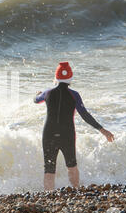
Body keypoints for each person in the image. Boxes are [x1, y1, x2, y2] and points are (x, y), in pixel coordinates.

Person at [34, 62, 114, 190]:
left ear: (56, 78)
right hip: (67, 134)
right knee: (71, 165)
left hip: (49, 134)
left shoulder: (47, 93)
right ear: (70, 79)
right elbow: (85, 115)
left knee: (49, 169)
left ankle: (48, 195)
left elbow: (36, 100)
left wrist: (38, 94)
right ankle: (75, 190)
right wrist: (102, 130)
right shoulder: (74, 95)